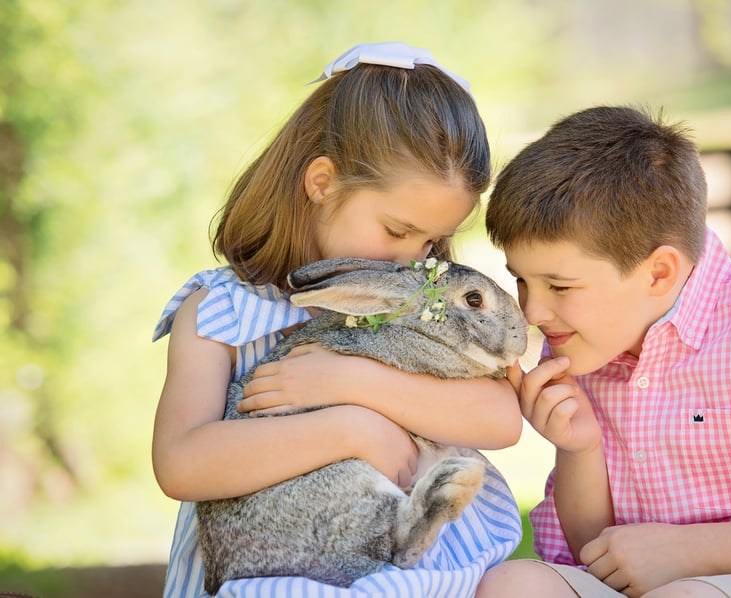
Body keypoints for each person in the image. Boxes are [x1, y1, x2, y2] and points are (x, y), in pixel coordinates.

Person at [476, 105, 731, 598]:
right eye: (522, 281)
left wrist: (693, 551)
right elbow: (595, 557)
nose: (533, 312)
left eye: (560, 286)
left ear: (659, 273)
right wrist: (581, 451)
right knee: (514, 585)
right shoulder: (585, 342)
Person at [151, 42, 523, 598]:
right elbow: (182, 463)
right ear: (322, 183)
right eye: (398, 232)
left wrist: (355, 383)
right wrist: (352, 429)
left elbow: (500, 419)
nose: (413, 260)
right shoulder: (220, 315)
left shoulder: (414, 303)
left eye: (430, 241)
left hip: (413, 576)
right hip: (273, 574)